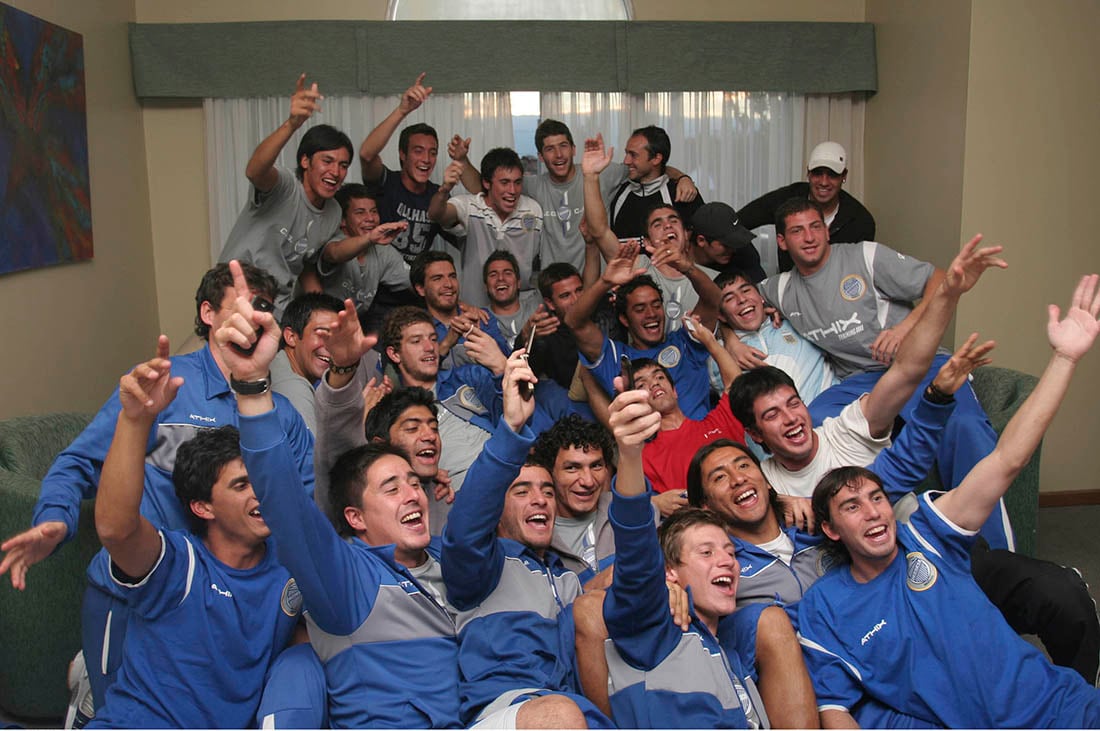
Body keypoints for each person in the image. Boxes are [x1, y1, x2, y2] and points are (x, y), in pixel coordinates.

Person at [0, 263, 315, 715]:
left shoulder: (280, 415)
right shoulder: (164, 389)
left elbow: (302, 516)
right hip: (144, 589)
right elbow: (80, 463)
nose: (252, 318)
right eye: (240, 306)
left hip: (235, 604)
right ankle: (91, 689)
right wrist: (55, 517)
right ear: (208, 313)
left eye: (262, 307)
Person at [799, 275, 1100, 728]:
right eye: (852, 506)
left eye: (877, 497)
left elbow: (1007, 460)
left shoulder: (929, 537)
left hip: (1059, 709)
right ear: (831, 529)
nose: (874, 511)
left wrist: (1064, 358)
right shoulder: (824, 606)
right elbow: (835, 709)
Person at [214, 260, 462, 728]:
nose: (413, 494)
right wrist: (251, 387)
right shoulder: (345, 577)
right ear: (355, 518)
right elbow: (285, 502)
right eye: (392, 488)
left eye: (414, 483)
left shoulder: (450, 563)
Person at [760, 200, 1005, 546]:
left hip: (920, 365)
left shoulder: (865, 256)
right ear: (782, 242)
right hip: (859, 380)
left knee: (965, 428)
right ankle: (849, 536)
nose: (810, 237)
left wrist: (905, 328)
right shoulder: (780, 289)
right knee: (811, 419)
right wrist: (734, 335)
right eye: (797, 231)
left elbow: (939, 280)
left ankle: (996, 550)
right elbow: (731, 303)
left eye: (816, 226)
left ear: (827, 230)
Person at [87, 341, 299, 728]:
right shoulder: (180, 566)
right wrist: (135, 422)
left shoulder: (289, 568)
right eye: (240, 485)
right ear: (204, 507)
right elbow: (117, 530)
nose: (260, 493)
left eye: (261, 480)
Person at [441, 350, 612, 729]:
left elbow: (611, 587)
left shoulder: (566, 577)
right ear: (496, 509)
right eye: (521, 491)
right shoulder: (482, 566)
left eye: (548, 492)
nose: (539, 500)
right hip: (507, 710)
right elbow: (465, 530)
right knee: (560, 713)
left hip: (572, 708)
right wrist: (512, 429)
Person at [598, 382, 774, 729]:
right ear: (669, 574)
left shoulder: (736, 661)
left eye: (729, 551)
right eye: (706, 552)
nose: (726, 561)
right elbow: (636, 557)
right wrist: (630, 454)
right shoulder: (652, 633)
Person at [218, 75, 351, 316]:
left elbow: (305, 264)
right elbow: (255, 170)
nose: (336, 172)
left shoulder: (333, 212)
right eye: (327, 161)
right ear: (305, 161)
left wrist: (322, 310)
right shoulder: (286, 185)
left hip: (276, 306)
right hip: (235, 292)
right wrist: (292, 124)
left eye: (343, 165)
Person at [583, 133, 721, 334]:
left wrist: (683, 177)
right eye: (657, 223)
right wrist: (590, 177)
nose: (667, 226)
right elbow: (600, 232)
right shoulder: (639, 270)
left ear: (687, 233)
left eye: (673, 221)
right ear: (647, 240)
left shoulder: (710, 280)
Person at [566, 239, 718, 421]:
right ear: (624, 319)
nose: (651, 314)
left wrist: (688, 268)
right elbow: (574, 322)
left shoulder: (685, 342)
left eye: (656, 305)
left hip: (703, 441)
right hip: (650, 445)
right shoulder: (616, 358)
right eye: (639, 309)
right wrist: (605, 282)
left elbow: (713, 299)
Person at [634, 314, 744, 504]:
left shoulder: (718, 423)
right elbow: (629, 508)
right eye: (641, 384)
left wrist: (709, 340)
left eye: (659, 377)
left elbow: (735, 384)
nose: (654, 384)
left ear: (675, 391)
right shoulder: (643, 456)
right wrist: (655, 504)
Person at [430, 147, 543, 310]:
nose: (512, 191)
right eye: (504, 182)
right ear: (486, 183)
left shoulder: (533, 210)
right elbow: (436, 214)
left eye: (517, 182)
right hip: (475, 312)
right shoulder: (469, 207)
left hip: (519, 313)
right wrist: (444, 190)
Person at [738, 141, 875, 273]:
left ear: (844, 176)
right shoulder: (786, 199)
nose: (823, 182)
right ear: (808, 172)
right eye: (817, 173)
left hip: (835, 293)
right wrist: (751, 266)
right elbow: (737, 222)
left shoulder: (860, 221)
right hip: (791, 289)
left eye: (832, 174)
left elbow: (857, 275)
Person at [716, 270, 837, 405]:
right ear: (720, 315)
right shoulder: (718, 355)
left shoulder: (795, 320)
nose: (742, 299)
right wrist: (727, 340)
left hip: (836, 412)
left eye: (745, 290)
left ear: (761, 297)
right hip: (781, 424)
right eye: (729, 298)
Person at [314, 183, 410, 323]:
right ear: (342, 220)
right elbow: (335, 253)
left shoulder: (382, 250)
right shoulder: (334, 241)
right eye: (360, 212)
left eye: (374, 211)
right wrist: (370, 238)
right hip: (319, 325)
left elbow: (413, 282)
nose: (370, 218)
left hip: (355, 326)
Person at [409, 250, 511, 368]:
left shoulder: (481, 318)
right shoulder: (416, 331)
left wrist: (481, 338)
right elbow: (415, 375)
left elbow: (508, 364)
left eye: (452, 276)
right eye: (437, 278)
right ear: (421, 289)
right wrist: (446, 344)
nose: (449, 284)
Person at [606, 125, 703, 240]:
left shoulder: (681, 193)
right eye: (626, 153)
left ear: (656, 159)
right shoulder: (618, 190)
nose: (626, 161)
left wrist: (684, 178)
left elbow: (701, 245)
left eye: (633, 155)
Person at [270, 292, 343, 432]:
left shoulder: (281, 363)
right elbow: (315, 453)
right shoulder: (293, 387)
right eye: (322, 334)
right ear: (291, 337)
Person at [690, 202, 766, 283]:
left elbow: (759, 290)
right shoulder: (678, 257)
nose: (733, 249)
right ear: (701, 241)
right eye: (726, 244)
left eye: (736, 242)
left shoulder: (744, 253)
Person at [483, 249, 544, 349]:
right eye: (493, 275)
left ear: (519, 283)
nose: (501, 278)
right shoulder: (480, 319)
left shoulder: (537, 306)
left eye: (507, 273)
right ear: (485, 286)